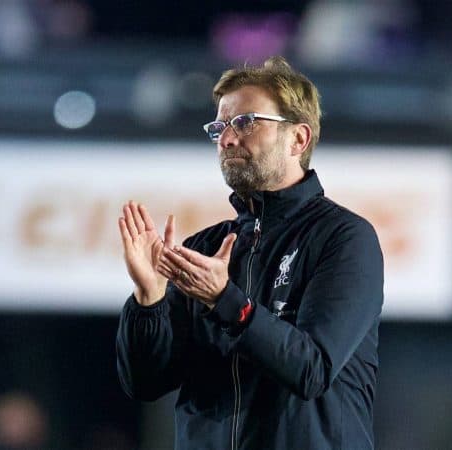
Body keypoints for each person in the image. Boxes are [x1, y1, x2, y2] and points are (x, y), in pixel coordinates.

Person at [116, 56, 384, 450]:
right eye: (220, 127)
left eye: (245, 122)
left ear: (298, 138)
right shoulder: (203, 249)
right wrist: (148, 299)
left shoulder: (344, 238)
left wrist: (225, 301)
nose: (226, 139)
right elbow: (144, 383)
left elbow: (312, 369)